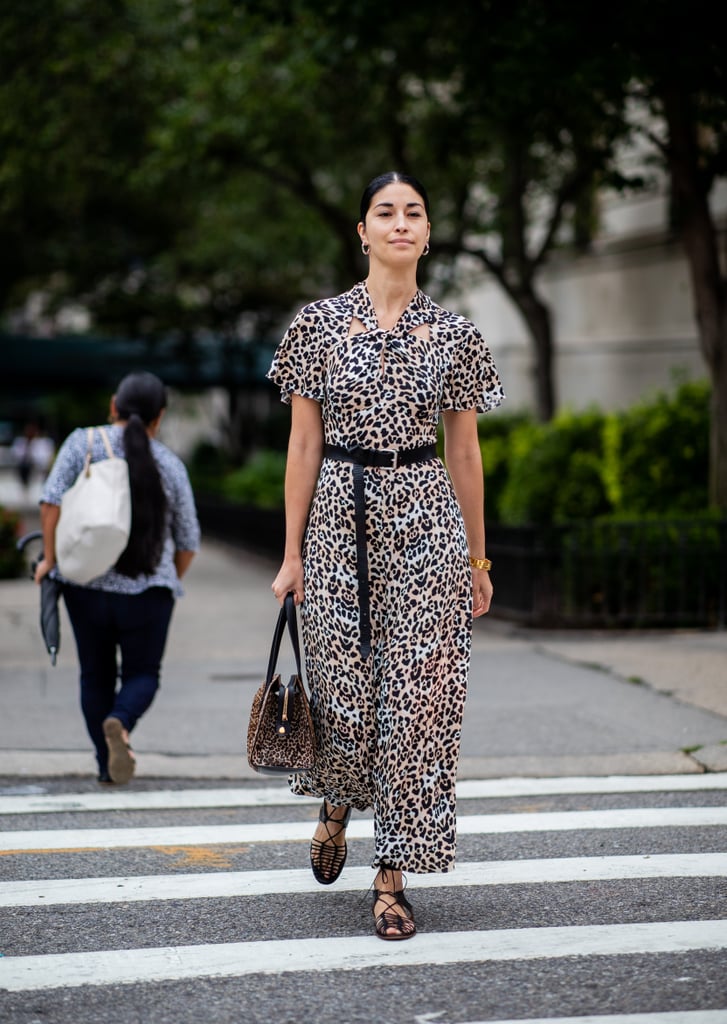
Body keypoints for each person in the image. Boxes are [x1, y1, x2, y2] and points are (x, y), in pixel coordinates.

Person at [267, 172, 505, 940]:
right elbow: (302, 444)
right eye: (384, 212)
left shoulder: (459, 335)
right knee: (344, 698)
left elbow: (464, 453)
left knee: (419, 705)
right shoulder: (317, 325)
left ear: (428, 235)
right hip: (338, 517)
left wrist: (477, 559)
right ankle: (336, 804)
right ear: (361, 232)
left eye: (413, 213)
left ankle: (392, 878)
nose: (400, 224)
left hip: (426, 522)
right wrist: (290, 552)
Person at [35, 372, 201, 784]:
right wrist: (167, 579)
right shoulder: (170, 464)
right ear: (158, 418)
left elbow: (50, 500)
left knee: (95, 675)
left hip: (84, 586)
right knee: (143, 675)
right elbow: (188, 540)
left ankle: (104, 763)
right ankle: (120, 723)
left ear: (113, 405)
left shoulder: (83, 442)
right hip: (148, 592)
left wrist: (50, 559)